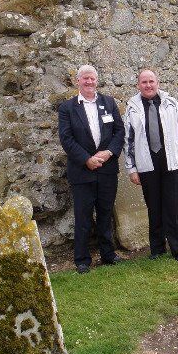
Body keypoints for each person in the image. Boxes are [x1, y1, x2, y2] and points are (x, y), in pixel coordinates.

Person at [58, 65, 125, 273]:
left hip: (107, 169)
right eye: (85, 78)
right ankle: (82, 259)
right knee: (83, 216)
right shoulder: (67, 108)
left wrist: (109, 152)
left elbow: (119, 132)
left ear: (97, 81)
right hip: (82, 171)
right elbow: (66, 139)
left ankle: (108, 254)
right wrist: (87, 159)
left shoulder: (109, 103)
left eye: (92, 78)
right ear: (78, 81)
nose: (89, 82)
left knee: (105, 214)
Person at [124, 69, 178, 262]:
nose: (148, 85)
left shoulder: (171, 103)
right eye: (144, 82)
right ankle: (157, 249)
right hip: (147, 165)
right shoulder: (132, 107)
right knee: (154, 208)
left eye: (151, 81)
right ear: (138, 85)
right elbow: (127, 141)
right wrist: (132, 169)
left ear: (157, 83)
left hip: (171, 163)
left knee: (174, 208)